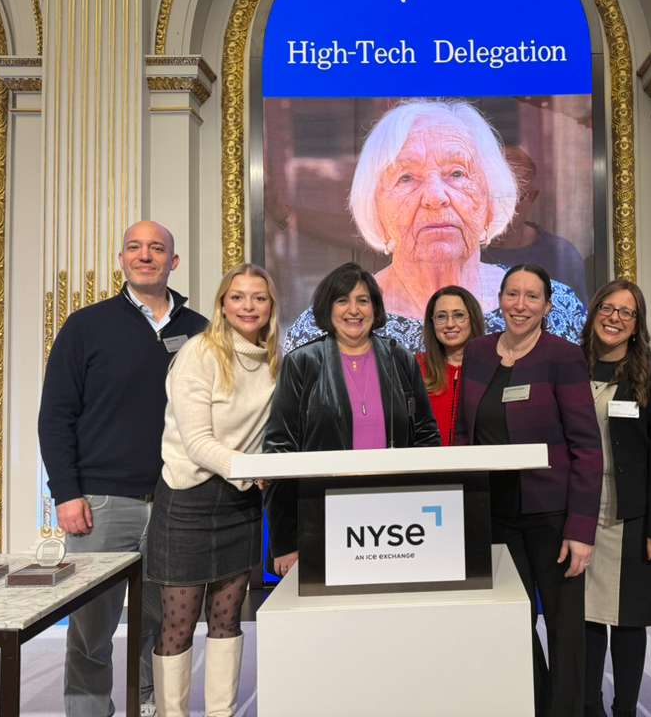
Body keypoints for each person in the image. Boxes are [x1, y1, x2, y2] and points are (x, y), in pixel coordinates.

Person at [38, 221, 208, 716]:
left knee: (160, 623)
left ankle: (148, 704)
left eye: (157, 248)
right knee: (91, 628)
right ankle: (89, 711)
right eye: (135, 247)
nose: (145, 255)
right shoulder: (86, 326)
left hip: (176, 502)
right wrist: (66, 493)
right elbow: (56, 416)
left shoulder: (200, 331)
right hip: (101, 503)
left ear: (173, 261)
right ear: (122, 260)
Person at [283, 101, 586, 352]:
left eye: (457, 173)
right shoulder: (326, 328)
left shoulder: (553, 310)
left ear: (491, 198)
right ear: (374, 206)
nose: (435, 197)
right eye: (406, 177)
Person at [455, 263, 602, 717]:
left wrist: (581, 529)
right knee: (512, 621)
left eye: (532, 296)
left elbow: (586, 447)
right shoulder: (478, 352)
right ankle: (534, 704)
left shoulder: (563, 357)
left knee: (563, 627)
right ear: (499, 299)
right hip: (495, 514)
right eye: (512, 294)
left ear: (547, 306)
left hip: (552, 514)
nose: (520, 305)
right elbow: (464, 433)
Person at [146, 263, 279, 716]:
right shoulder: (198, 354)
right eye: (238, 296)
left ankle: (222, 712)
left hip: (240, 504)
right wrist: (252, 470)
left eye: (259, 297)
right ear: (222, 304)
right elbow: (198, 444)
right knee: (179, 623)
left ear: (271, 306)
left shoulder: (274, 359)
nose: (248, 306)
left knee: (227, 619)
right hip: (188, 498)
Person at [264, 262, 441, 576]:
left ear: (375, 308)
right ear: (327, 308)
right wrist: (284, 540)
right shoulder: (302, 363)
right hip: (322, 518)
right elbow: (280, 450)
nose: (354, 310)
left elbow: (426, 436)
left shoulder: (400, 358)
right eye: (342, 300)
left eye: (363, 300)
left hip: (397, 519)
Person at [579, 280, 651, 717]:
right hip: (578, 510)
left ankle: (624, 709)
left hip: (632, 512)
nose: (615, 318)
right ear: (594, 312)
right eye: (607, 308)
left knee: (628, 618)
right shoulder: (570, 365)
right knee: (584, 615)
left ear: (637, 324)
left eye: (626, 312)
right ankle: (589, 707)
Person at [483, 146, 589, 302]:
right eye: (494, 196)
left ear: (532, 197)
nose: (503, 207)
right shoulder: (463, 252)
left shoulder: (561, 255)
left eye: (514, 197)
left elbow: (576, 315)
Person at [416, 285, 485, 445]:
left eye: (458, 315)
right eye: (441, 316)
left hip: (478, 459)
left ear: (473, 319)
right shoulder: (416, 368)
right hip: (427, 459)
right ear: (432, 323)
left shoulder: (491, 367)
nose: (450, 324)